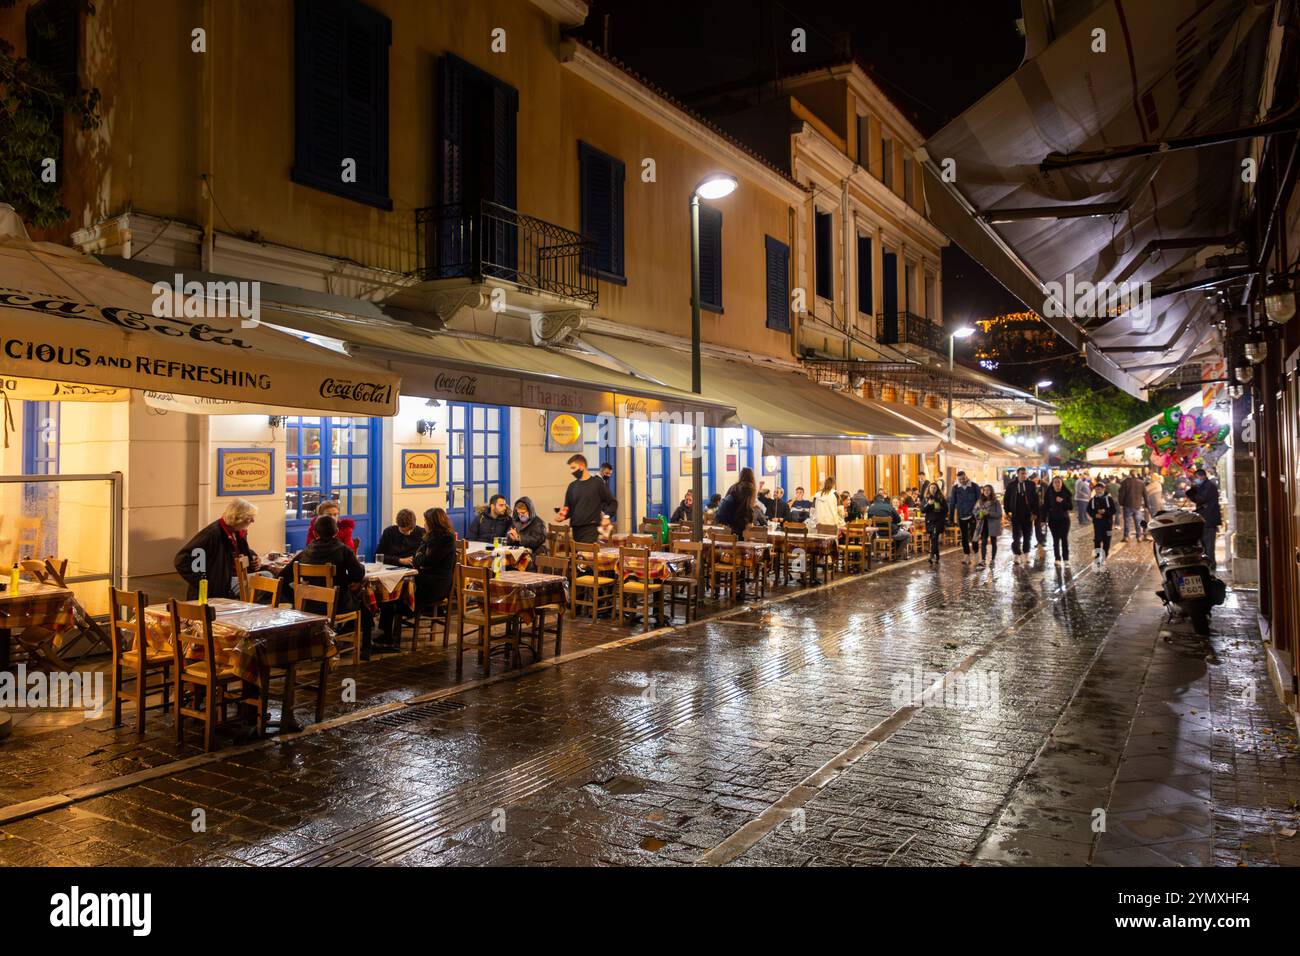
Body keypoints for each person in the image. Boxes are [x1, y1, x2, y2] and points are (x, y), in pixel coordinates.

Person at [173, 498, 261, 600]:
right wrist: (206, 583)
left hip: (230, 579)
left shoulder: (237, 532)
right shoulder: (211, 534)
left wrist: (254, 559)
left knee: (266, 576)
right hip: (218, 587)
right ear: (239, 518)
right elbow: (182, 560)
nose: (253, 521)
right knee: (265, 579)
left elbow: (236, 551)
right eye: (250, 518)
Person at [375, 509, 424, 645]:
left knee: (392, 596)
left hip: (411, 576)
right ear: (397, 526)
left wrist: (414, 560)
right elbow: (379, 556)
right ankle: (385, 632)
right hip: (391, 571)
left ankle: (388, 632)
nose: (407, 533)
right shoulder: (389, 532)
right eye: (403, 530)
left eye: (410, 530)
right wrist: (399, 560)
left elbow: (423, 556)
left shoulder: (420, 533)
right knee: (387, 593)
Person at [558, 453, 617, 544]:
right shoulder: (572, 486)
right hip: (576, 528)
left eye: (573, 468)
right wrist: (562, 515)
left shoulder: (597, 484)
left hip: (591, 528)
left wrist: (606, 516)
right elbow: (568, 507)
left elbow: (613, 502)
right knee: (579, 557)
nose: (572, 471)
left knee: (586, 555)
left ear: (582, 466)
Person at [411, 507, 457, 611]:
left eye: (426, 521)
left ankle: (387, 625)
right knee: (399, 591)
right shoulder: (429, 537)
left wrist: (418, 559)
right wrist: (418, 559)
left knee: (400, 595)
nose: (424, 524)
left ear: (433, 523)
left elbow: (427, 561)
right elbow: (417, 559)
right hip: (427, 579)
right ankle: (385, 626)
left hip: (437, 584)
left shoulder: (445, 539)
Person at [1186, 467, 1222, 569]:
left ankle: (1210, 565)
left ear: (1203, 476)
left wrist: (1192, 495)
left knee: (1209, 545)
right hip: (1205, 519)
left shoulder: (1209, 486)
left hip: (1208, 520)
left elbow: (1200, 499)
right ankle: (1207, 564)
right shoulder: (1204, 486)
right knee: (1204, 545)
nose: (1196, 480)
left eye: (1196, 478)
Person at [1004, 467, 1038, 564]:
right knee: (1016, 536)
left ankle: (1026, 554)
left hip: (1028, 514)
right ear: (1017, 474)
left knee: (1028, 535)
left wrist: (1035, 513)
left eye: (1025, 473)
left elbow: (1036, 500)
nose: (1024, 475)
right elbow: (1006, 499)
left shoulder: (1031, 485)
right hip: (1016, 514)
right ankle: (1017, 554)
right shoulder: (1011, 485)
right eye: (1022, 473)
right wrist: (1007, 512)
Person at [947, 470, 980, 561]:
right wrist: (951, 519)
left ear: (966, 477)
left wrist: (979, 515)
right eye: (960, 479)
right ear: (958, 479)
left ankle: (976, 553)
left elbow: (979, 501)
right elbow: (952, 503)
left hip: (973, 515)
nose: (962, 481)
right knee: (964, 536)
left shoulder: (974, 486)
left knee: (974, 535)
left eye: (963, 478)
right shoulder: (955, 488)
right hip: (961, 516)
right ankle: (966, 555)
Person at [972, 485, 1003, 569]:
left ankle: (992, 560)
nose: (986, 491)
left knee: (993, 542)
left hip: (993, 525)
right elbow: (974, 511)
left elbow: (999, 514)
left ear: (991, 491)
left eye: (988, 490)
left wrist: (989, 513)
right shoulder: (980, 501)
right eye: (984, 490)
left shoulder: (995, 502)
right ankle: (983, 560)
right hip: (983, 525)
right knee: (983, 543)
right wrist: (979, 514)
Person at [1044, 475, 1073, 564]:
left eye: (1058, 482)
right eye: (1055, 482)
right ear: (1052, 484)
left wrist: (1063, 501)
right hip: (1053, 520)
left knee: (1064, 539)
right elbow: (1045, 507)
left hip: (1064, 520)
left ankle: (1066, 559)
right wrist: (1043, 520)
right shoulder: (1049, 494)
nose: (1057, 484)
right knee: (1055, 539)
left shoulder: (1066, 493)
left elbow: (1071, 507)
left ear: (1061, 484)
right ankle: (1057, 558)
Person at [1086, 483, 1117, 566]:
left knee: (1107, 540)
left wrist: (1105, 512)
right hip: (1097, 523)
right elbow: (1089, 510)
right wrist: (1095, 515)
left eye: (1099, 489)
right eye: (1096, 489)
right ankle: (1097, 556)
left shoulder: (1109, 499)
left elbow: (1113, 510)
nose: (1098, 491)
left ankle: (1105, 556)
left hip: (1108, 524)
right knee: (1097, 539)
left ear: (1103, 489)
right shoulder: (1092, 500)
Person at [921, 483, 948, 565]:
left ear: (937, 489)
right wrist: (929, 504)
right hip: (930, 521)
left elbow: (946, 509)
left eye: (935, 488)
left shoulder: (941, 498)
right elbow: (922, 510)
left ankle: (931, 555)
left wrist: (939, 506)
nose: (933, 489)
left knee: (934, 536)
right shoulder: (926, 498)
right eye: (931, 487)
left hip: (938, 521)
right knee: (933, 538)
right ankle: (937, 556)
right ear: (929, 489)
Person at [1118, 470, 1146, 542]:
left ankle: (1126, 536)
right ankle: (1139, 536)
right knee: (1138, 521)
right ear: (1136, 474)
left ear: (1129, 474)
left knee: (1127, 521)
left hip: (1127, 504)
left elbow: (1121, 495)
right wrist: (1147, 505)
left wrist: (1121, 503)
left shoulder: (1125, 482)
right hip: (1137, 505)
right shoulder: (1141, 482)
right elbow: (1145, 495)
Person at [1031, 474, 1048, 548]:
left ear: (1037, 478)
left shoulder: (1044, 485)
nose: (1033, 481)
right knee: (1037, 526)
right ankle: (1039, 541)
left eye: (1034, 479)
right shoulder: (1033, 486)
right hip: (1036, 509)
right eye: (1032, 480)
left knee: (1042, 525)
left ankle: (1042, 541)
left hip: (1043, 509)